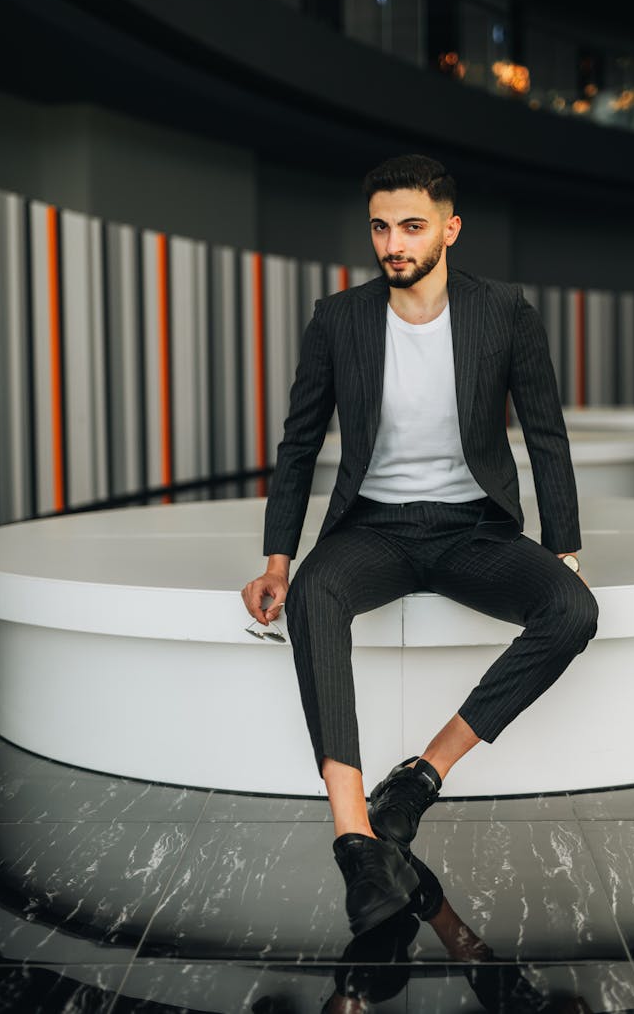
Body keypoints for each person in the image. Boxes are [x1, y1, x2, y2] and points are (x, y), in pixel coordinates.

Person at [242, 154, 598, 937]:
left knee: (572, 610)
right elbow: (299, 443)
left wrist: (561, 548)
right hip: (373, 528)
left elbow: (546, 434)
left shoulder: (503, 311)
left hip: (474, 527)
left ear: (449, 228)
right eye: (381, 226)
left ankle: (420, 776)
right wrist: (278, 559)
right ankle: (356, 842)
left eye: (411, 226)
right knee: (313, 596)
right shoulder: (339, 317)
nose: (393, 242)